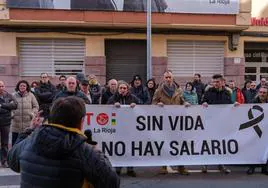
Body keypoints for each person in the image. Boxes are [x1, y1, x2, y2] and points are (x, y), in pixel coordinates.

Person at [8, 96, 120, 188]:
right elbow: (112, 183)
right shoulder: (86, 152)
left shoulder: (31, 140)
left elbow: (12, 162)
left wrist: (29, 130)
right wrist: (98, 154)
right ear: (81, 122)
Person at [152, 70, 190, 175]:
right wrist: (157, 104)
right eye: (166, 77)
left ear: (173, 78)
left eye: (170, 77)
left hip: (177, 121)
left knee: (179, 143)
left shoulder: (179, 90)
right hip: (164, 121)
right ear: (163, 78)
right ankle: (164, 165)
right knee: (165, 142)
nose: (168, 79)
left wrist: (186, 103)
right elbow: (153, 103)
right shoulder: (158, 90)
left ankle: (181, 166)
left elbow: (182, 101)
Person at [202, 74, 238, 174]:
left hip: (222, 123)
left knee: (221, 144)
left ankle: (221, 164)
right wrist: (204, 103)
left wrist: (234, 104)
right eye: (213, 82)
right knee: (208, 143)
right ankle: (205, 163)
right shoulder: (208, 91)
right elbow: (203, 101)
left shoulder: (227, 92)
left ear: (222, 82)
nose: (215, 84)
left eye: (217, 82)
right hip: (210, 123)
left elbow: (230, 104)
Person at [107, 80, 141, 177]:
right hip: (117, 127)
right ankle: (118, 168)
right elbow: (105, 107)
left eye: (124, 88)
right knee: (119, 148)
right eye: (121, 88)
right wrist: (113, 105)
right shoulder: (113, 98)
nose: (122, 90)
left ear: (127, 89)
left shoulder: (133, 98)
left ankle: (130, 169)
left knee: (130, 148)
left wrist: (136, 105)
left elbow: (143, 106)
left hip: (130, 127)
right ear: (118, 89)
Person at [247, 86, 268, 175]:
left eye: (264, 93)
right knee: (254, 148)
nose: (262, 94)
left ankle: (264, 168)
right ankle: (252, 167)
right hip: (255, 129)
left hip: (266, 130)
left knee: (265, 149)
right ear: (258, 93)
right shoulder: (252, 103)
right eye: (261, 92)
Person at [11, 80, 39, 146]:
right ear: (18, 87)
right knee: (14, 143)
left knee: (26, 144)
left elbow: (36, 106)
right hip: (16, 124)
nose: (22, 87)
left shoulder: (31, 95)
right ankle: (13, 156)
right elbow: (9, 107)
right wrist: (12, 114)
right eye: (21, 85)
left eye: (24, 86)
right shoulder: (13, 95)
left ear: (27, 87)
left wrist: (32, 114)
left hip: (28, 123)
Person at [0, 81, 18, 167]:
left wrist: (2, 105)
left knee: (5, 143)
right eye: (0, 86)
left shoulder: (9, 95)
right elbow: (10, 106)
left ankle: (4, 161)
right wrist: (7, 107)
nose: (1, 87)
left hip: (5, 122)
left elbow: (15, 105)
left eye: (2, 86)